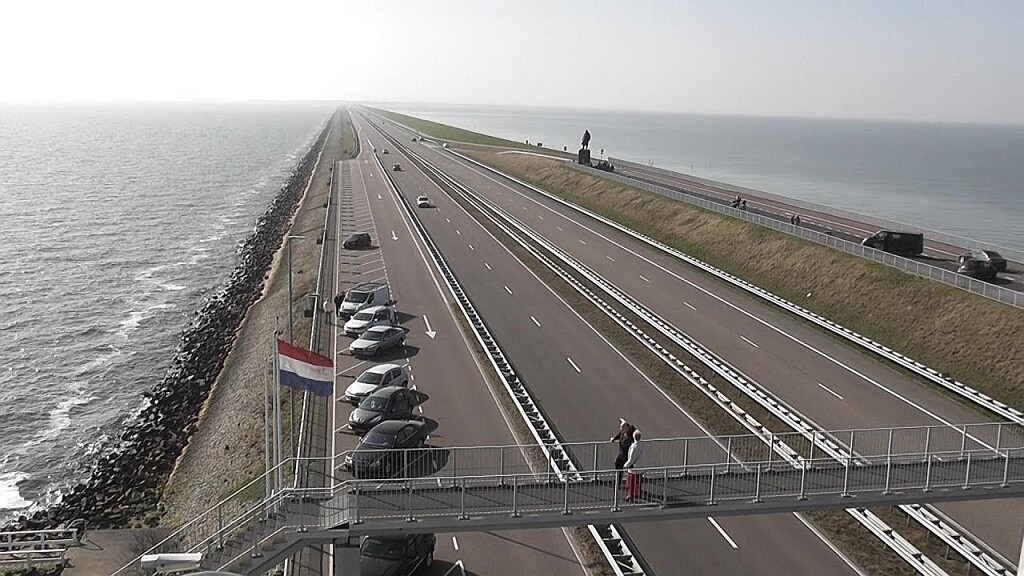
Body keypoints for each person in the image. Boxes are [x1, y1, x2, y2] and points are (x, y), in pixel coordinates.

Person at [610, 418, 636, 484]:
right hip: (621, 454)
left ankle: (633, 482)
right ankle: (618, 481)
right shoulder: (623, 432)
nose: (621, 429)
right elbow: (619, 435)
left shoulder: (630, 434)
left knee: (630, 469)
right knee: (618, 465)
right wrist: (614, 438)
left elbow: (633, 430)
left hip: (627, 455)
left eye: (622, 428)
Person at [624, 429, 645, 502]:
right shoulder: (642, 444)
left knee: (631, 482)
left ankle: (630, 496)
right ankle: (638, 493)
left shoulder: (634, 447)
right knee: (638, 481)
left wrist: (625, 465)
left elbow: (631, 458)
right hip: (641, 466)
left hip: (634, 467)